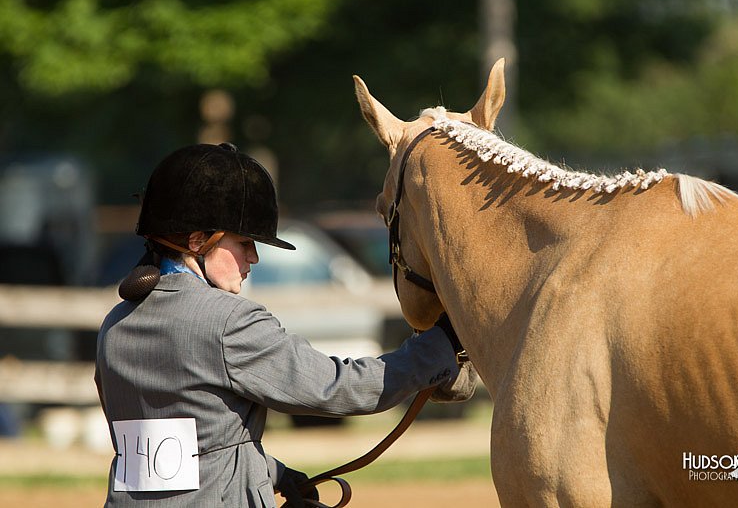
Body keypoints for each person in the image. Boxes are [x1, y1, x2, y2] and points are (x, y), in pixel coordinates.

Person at [94, 142, 465, 507]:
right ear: (197, 241)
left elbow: (176, 446)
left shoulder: (115, 325)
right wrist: (442, 343)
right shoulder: (228, 322)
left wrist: (270, 473)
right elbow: (338, 388)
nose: (253, 257)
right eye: (243, 243)